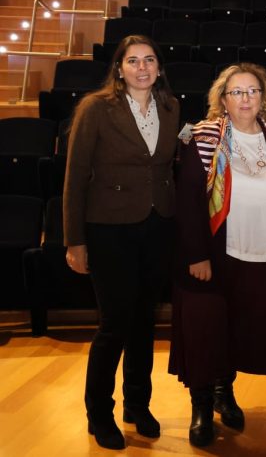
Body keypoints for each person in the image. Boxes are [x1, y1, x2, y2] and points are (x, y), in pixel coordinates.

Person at [63, 36, 179, 450]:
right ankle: (99, 412)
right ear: (119, 68)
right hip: (109, 229)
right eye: (133, 61)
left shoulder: (170, 106)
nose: (142, 67)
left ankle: (138, 404)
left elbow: (167, 168)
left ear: (160, 68)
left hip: (157, 226)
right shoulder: (96, 108)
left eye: (150, 60)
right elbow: (75, 177)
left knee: (145, 322)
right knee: (114, 326)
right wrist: (74, 240)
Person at [169, 64, 266, 447]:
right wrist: (196, 255)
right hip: (215, 254)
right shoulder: (204, 138)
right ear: (222, 99)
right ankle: (201, 406)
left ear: (263, 96)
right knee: (205, 331)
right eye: (236, 92)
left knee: (236, 330)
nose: (245, 98)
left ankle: (224, 392)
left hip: (259, 254)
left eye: (252, 91)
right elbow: (188, 202)